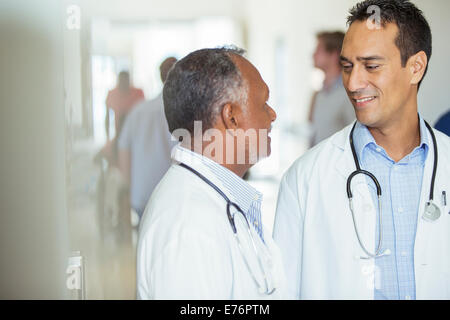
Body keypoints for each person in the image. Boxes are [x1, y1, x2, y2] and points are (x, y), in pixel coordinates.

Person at [274, 0, 450, 300]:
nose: (353, 83)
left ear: (416, 68)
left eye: (371, 66)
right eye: (347, 67)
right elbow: (281, 292)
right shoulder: (303, 179)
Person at [137, 47, 286, 299]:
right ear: (231, 117)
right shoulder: (189, 228)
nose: (272, 115)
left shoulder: (213, 200)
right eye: (263, 103)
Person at [118, 57, 178, 218]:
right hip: (170, 196)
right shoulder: (182, 113)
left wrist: (129, 187)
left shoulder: (138, 110)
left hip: (141, 193)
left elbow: (123, 148)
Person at [309, 31, 354, 147]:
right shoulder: (318, 95)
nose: (313, 55)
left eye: (318, 50)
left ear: (334, 55)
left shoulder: (349, 93)